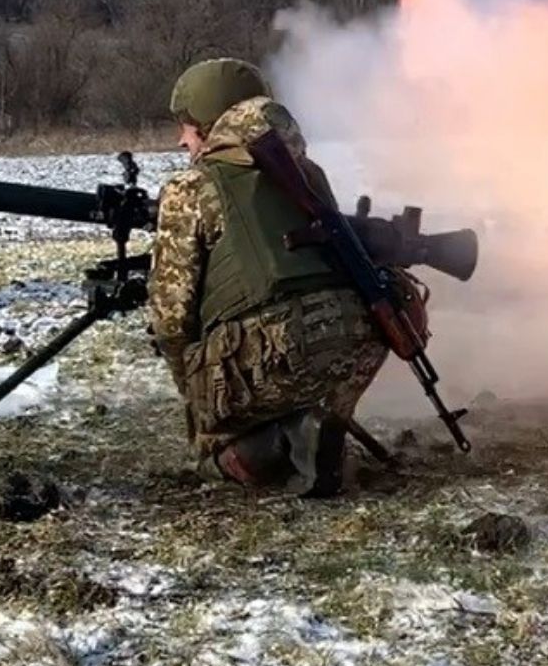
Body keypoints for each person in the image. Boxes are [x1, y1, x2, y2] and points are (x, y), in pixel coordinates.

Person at [146, 57, 389, 496]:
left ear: (208, 124)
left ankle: (286, 440)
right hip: (353, 349)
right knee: (294, 379)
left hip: (272, 356)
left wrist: (197, 395)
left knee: (214, 450)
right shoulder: (308, 174)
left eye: (187, 127)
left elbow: (171, 319)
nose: (182, 140)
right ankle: (319, 425)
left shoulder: (190, 188)